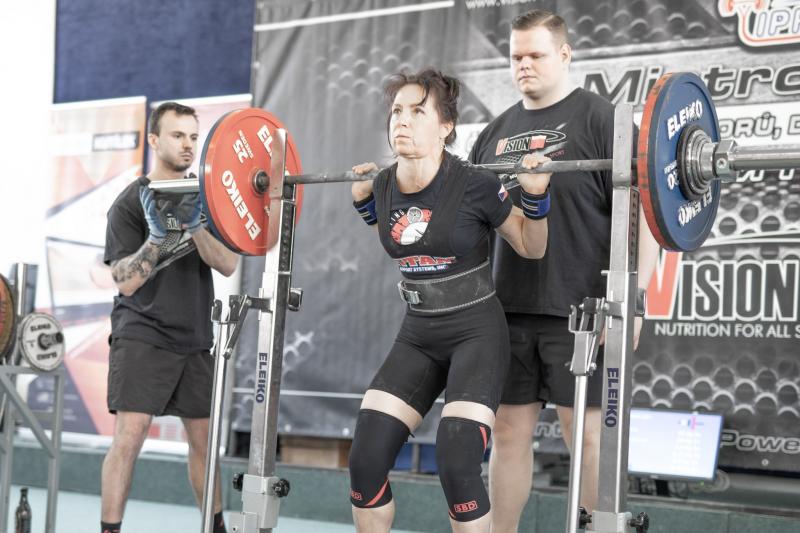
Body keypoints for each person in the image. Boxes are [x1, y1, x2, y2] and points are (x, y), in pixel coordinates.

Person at [468, 10, 660, 531]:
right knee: (507, 432)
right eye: (516, 57)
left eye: (536, 54)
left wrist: (634, 299)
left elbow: (647, 217)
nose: (524, 65)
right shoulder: (492, 135)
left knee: (589, 438)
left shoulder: (605, 121)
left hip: (585, 311)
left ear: (565, 54)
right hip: (506, 311)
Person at [347, 68, 552, 533]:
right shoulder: (382, 185)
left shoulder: (475, 183)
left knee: (458, 462)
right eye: (397, 111)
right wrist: (365, 205)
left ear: (445, 127)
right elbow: (402, 236)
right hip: (419, 332)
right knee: (365, 462)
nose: (402, 120)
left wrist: (536, 199)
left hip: (476, 333)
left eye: (418, 112)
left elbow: (530, 246)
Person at [101, 102, 239, 533]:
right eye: (178, 135)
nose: (188, 145)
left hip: (194, 336)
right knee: (130, 436)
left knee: (204, 442)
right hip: (142, 332)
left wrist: (195, 227)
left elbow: (228, 264)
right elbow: (125, 282)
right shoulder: (130, 202)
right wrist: (158, 239)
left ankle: (215, 527)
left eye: (193, 137)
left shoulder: (206, 200)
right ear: (154, 140)